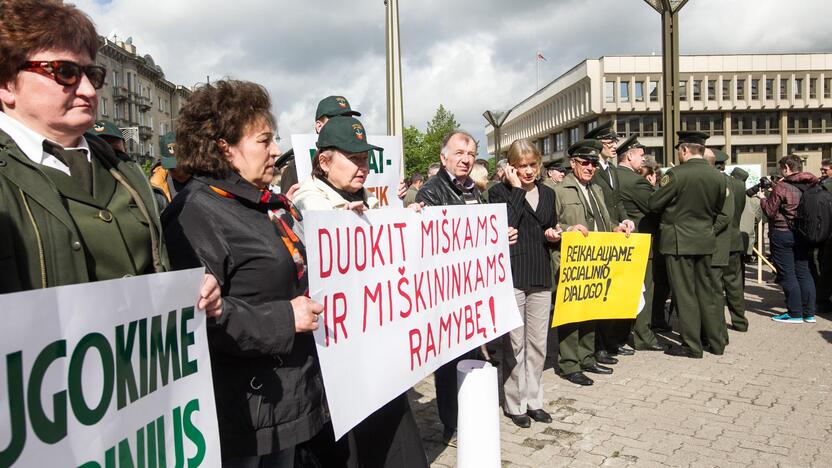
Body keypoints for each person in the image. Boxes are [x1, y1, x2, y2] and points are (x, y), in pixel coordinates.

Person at [162, 79, 325, 467]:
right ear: (224, 146)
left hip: (280, 398)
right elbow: (198, 317)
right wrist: (286, 317)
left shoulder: (259, 205)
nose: (274, 151)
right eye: (263, 141)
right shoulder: (197, 212)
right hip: (240, 411)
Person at [0, 0, 186, 297]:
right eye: (65, 72)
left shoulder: (126, 172)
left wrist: (190, 293)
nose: (88, 90)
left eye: (93, 76)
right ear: (8, 83)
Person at [291, 115, 428, 467]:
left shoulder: (354, 196)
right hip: (336, 350)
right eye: (353, 158)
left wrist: (403, 221)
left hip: (367, 340)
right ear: (324, 161)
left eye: (365, 159)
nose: (362, 167)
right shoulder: (310, 201)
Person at [415, 130, 517, 442]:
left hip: (472, 291)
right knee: (447, 362)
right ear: (443, 156)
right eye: (459, 152)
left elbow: (478, 234)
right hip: (446, 292)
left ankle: (467, 410)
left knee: (470, 353)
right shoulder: (432, 192)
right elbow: (433, 243)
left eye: (471, 153)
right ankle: (451, 421)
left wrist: (499, 236)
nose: (466, 159)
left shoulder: (473, 190)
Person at [487, 139, 560, 428]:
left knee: (537, 344)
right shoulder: (497, 193)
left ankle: (534, 400)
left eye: (532, 165)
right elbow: (507, 223)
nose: (528, 171)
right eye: (521, 166)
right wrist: (516, 190)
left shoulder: (548, 193)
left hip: (540, 274)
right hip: (513, 275)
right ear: (510, 168)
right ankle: (514, 403)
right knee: (514, 345)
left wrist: (555, 233)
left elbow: (547, 228)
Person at [553, 140, 634, 386]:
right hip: (569, 261)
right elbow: (551, 225)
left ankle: (586, 357)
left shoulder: (596, 190)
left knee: (590, 312)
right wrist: (568, 229)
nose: (590, 168)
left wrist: (617, 228)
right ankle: (569, 364)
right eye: (585, 163)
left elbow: (603, 223)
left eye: (593, 164)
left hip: (595, 261)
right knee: (570, 315)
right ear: (572, 163)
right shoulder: (558, 190)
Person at [649, 132, 728, 358]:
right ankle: (716, 342)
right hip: (705, 239)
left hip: (678, 242)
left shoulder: (676, 174)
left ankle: (691, 345)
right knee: (709, 292)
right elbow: (719, 207)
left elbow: (654, 203)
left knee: (684, 294)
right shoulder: (717, 176)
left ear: (684, 150)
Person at [584, 121, 633, 361]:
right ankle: (599, 345)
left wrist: (626, 220)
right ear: (598, 145)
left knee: (614, 294)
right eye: (609, 142)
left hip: (616, 233)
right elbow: (599, 206)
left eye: (614, 142)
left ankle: (611, 341)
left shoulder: (612, 170)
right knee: (600, 295)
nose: (614, 146)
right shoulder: (593, 170)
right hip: (602, 235)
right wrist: (613, 224)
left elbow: (618, 200)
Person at [615, 135, 664, 351]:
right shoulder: (635, 181)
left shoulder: (613, 176)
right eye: (641, 156)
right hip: (641, 243)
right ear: (629, 156)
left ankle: (622, 334)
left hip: (623, 243)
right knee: (645, 291)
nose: (643, 161)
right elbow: (656, 205)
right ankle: (644, 336)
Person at [758, 154, 819, 323]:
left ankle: (795, 313)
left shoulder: (783, 186)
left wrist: (763, 199)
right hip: (804, 233)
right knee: (804, 272)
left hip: (783, 233)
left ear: (786, 168)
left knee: (788, 273)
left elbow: (770, 211)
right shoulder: (812, 183)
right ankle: (809, 313)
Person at [280, 95, 361, 194]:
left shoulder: (360, 164)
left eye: (349, 120)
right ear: (319, 126)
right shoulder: (295, 168)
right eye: (337, 120)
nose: (345, 125)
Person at [713, 150, 748, 332]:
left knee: (716, 286)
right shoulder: (739, 185)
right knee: (734, 284)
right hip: (734, 239)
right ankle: (740, 321)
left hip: (718, 241)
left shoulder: (714, 183)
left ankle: (718, 324)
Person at [149, 131, 192, 212]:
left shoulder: (205, 180)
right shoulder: (156, 187)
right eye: (171, 167)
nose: (177, 172)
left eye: (180, 166)